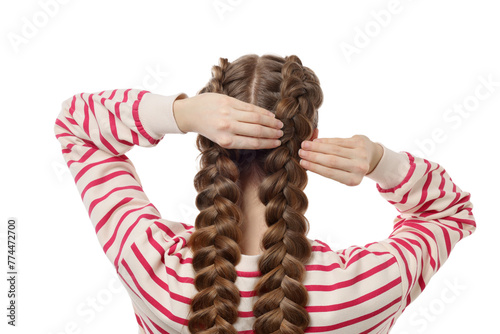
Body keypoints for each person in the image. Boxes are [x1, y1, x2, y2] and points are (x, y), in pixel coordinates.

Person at [53, 54, 476, 334]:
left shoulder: (153, 268)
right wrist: (382, 162)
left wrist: (178, 113)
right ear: (308, 137)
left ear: (208, 139)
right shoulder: (361, 289)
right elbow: (450, 213)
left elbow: (76, 126)